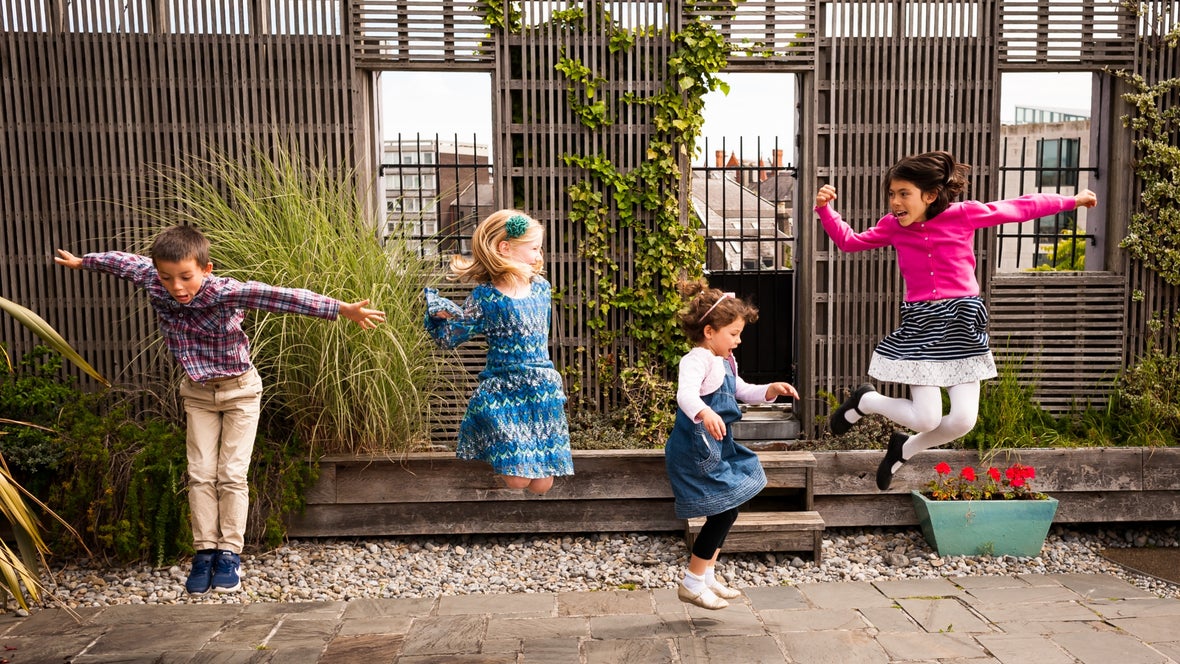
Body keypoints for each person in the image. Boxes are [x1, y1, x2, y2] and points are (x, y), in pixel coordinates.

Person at [54, 225, 385, 595]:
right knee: (199, 473)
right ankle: (205, 553)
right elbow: (123, 263)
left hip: (240, 392)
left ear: (206, 269)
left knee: (230, 474)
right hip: (198, 394)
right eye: (167, 277)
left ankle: (229, 554)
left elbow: (280, 297)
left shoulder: (225, 291)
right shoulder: (152, 278)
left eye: (186, 277)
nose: (176, 287)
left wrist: (340, 309)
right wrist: (84, 262)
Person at [814, 150, 1098, 491]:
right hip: (923, 324)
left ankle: (904, 449)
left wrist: (1072, 201)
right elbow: (849, 242)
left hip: (962, 323)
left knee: (963, 420)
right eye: (891, 194)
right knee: (926, 417)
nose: (895, 202)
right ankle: (866, 401)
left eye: (903, 193)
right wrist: (825, 210)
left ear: (930, 195)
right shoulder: (893, 226)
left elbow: (1018, 208)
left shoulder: (962, 214)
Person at [666, 280, 799, 610]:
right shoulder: (697, 359)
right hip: (696, 448)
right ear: (709, 331)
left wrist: (770, 389)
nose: (738, 341)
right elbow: (685, 395)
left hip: (716, 446)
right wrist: (705, 411)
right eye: (734, 334)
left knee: (730, 505)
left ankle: (707, 575)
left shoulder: (723, 360)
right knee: (724, 511)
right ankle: (692, 582)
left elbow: (742, 390)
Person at [423, 209, 574, 495]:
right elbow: (449, 338)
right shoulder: (485, 297)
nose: (539, 255)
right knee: (517, 480)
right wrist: (441, 315)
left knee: (542, 485)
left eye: (539, 248)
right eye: (533, 248)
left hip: (541, 390)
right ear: (505, 248)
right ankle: (493, 441)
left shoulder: (542, 289)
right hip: (503, 388)